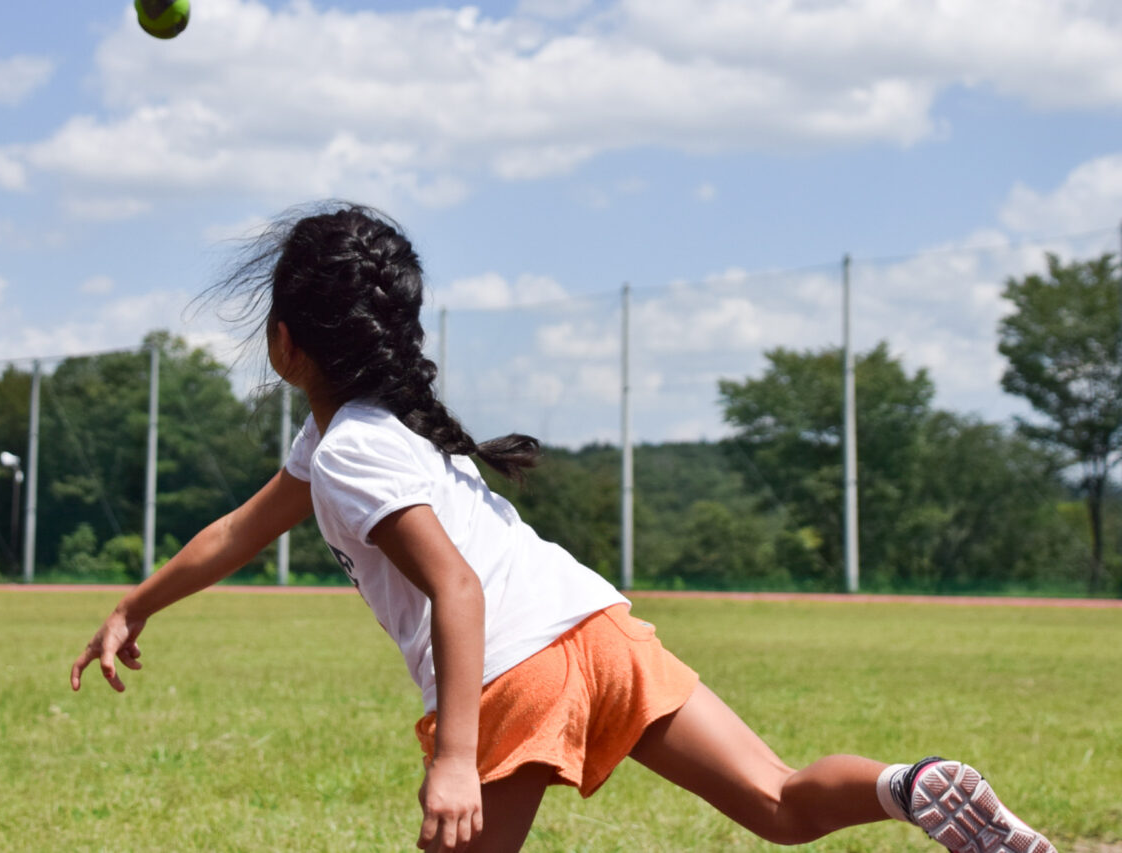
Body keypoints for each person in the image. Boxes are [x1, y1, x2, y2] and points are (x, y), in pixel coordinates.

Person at [70, 203, 1057, 853]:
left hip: (513, 668)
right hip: (596, 629)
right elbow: (241, 530)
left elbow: (455, 589)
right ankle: (908, 784)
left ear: (286, 342)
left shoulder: (352, 449)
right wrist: (135, 606)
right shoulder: (361, 431)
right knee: (780, 804)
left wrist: (454, 756)